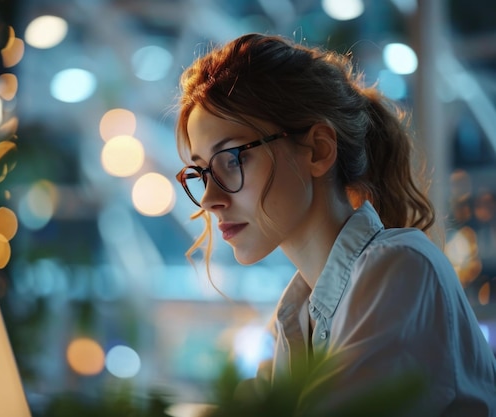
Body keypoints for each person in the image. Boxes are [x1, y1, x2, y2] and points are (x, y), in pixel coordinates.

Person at [174, 33, 496, 416]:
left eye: (232, 159)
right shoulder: (296, 317)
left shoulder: (400, 268)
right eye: (201, 172)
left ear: (319, 150)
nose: (210, 199)